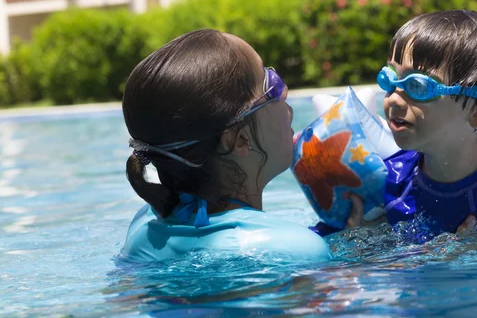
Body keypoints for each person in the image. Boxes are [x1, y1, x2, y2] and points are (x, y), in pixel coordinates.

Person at [121, 29, 331, 262]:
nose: (285, 92)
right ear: (239, 139)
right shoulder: (293, 251)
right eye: (271, 84)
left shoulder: (144, 227)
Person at [346, 10, 477, 237]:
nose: (394, 98)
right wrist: (357, 234)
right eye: (389, 78)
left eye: (418, 86)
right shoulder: (384, 181)